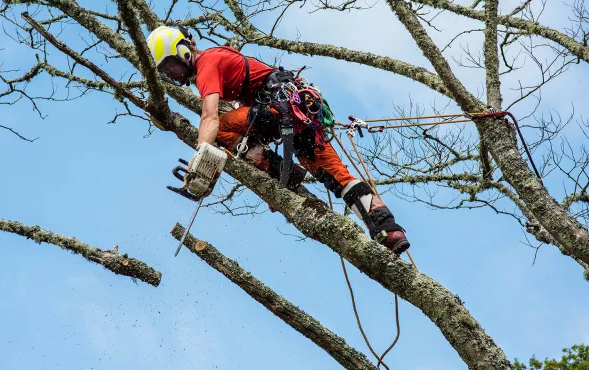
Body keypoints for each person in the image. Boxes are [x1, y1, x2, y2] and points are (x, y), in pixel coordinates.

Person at [147, 26, 410, 254]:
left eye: (171, 66)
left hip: (278, 111)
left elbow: (209, 117)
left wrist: (199, 159)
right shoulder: (222, 55)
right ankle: (388, 230)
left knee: (223, 130)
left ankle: (278, 170)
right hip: (298, 117)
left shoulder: (207, 63)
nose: (173, 74)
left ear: (183, 51)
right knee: (336, 178)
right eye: (166, 72)